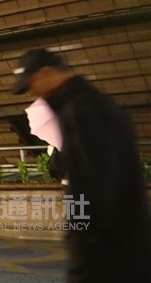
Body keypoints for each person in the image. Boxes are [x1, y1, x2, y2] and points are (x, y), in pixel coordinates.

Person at [10, 47, 151, 282]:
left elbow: (88, 185)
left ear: (46, 73)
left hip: (105, 250)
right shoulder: (94, 102)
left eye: (31, 85)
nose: (33, 94)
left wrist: (79, 245)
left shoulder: (79, 110)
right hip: (124, 243)